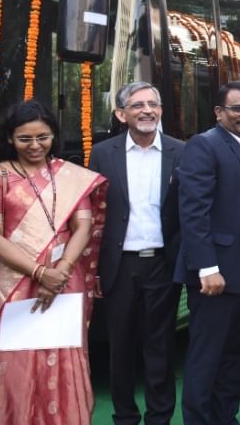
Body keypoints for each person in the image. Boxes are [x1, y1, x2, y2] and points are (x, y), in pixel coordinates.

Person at [0, 100, 108, 425]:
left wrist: (60, 271)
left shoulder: (69, 176)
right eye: (25, 139)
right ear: (10, 138)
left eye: (43, 137)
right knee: (14, 363)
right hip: (15, 283)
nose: (35, 145)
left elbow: (83, 226)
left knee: (64, 359)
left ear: (53, 136)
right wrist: (39, 272)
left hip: (64, 280)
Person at [174, 79, 240, 425]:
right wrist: (207, 268)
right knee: (206, 358)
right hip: (215, 276)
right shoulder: (205, 145)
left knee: (234, 356)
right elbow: (194, 212)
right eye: (238, 109)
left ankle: (225, 418)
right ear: (219, 112)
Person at [89, 82, 184, 425]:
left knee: (161, 347)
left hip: (163, 264)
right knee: (121, 347)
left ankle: (160, 417)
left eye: (152, 104)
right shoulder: (103, 154)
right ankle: (125, 416)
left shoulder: (180, 151)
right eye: (138, 105)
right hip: (119, 265)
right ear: (121, 114)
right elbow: (94, 213)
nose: (147, 111)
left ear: (160, 110)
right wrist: (94, 268)